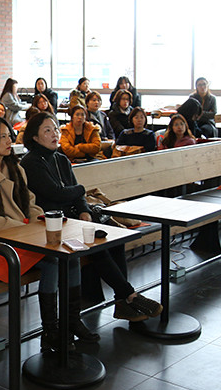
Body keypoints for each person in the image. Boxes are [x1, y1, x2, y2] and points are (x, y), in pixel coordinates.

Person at [0, 116, 94, 349]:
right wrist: (25, 230)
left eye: (9, 135)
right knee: (52, 261)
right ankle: (50, 330)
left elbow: (31, 204)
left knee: (70, 256)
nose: (9, 141)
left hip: (23, 236)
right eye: (2, 136)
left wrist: (37, 223)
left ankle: (72, 320)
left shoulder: (16, 168)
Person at [20, 113, 162, 324]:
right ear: (34, 136)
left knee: (113, 240)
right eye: (47, 130)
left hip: (74, 218)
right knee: (96, 245)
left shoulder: (60, 159)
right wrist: (80, 190)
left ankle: (122, 302)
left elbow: (76, 194)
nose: (54, 134)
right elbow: (56, 193)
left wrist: (84, 210)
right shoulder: (30, 162)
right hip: (51, 225)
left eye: (56, 129)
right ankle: (129, 295)